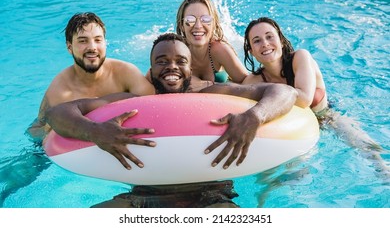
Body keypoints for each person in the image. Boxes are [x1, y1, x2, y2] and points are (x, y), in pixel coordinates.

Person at [45, 33, 298, 208]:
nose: (172, 67)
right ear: (151, 69)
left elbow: (285, 92)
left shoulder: (212, 94)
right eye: (162, 61)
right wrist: (94, 132)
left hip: (211, 197)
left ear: (190, 68)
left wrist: (254, 116)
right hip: (143, 198)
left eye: (181, 61)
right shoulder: (133, 103)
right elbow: (59, 113)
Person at [242, 17, 388, 174]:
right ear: (251, 51)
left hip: (328, 118)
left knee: (369, 151)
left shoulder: (300, 58)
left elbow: (304, 99)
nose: (265, 43)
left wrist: (267, 92)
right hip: (295, 129)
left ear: (281, 40)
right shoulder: (253, 80)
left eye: (269, 36)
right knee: (291, 177)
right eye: (256, 41)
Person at [27, 12, 155, 140]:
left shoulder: (126, 72)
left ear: (105, 43)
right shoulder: (62, 92)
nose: (92, 47)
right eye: (83, 41)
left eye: (98, 40)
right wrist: (126, 98)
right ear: (69, 47)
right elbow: (52, 133)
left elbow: (154, 103)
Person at [175, 0, 248, 83]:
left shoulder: (220, 50)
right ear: (181, 25)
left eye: (206, 19)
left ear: (214, 24)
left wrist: (204, 85)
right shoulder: (175, 52)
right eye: (190, 20)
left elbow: (248, 83)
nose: (198, 26)